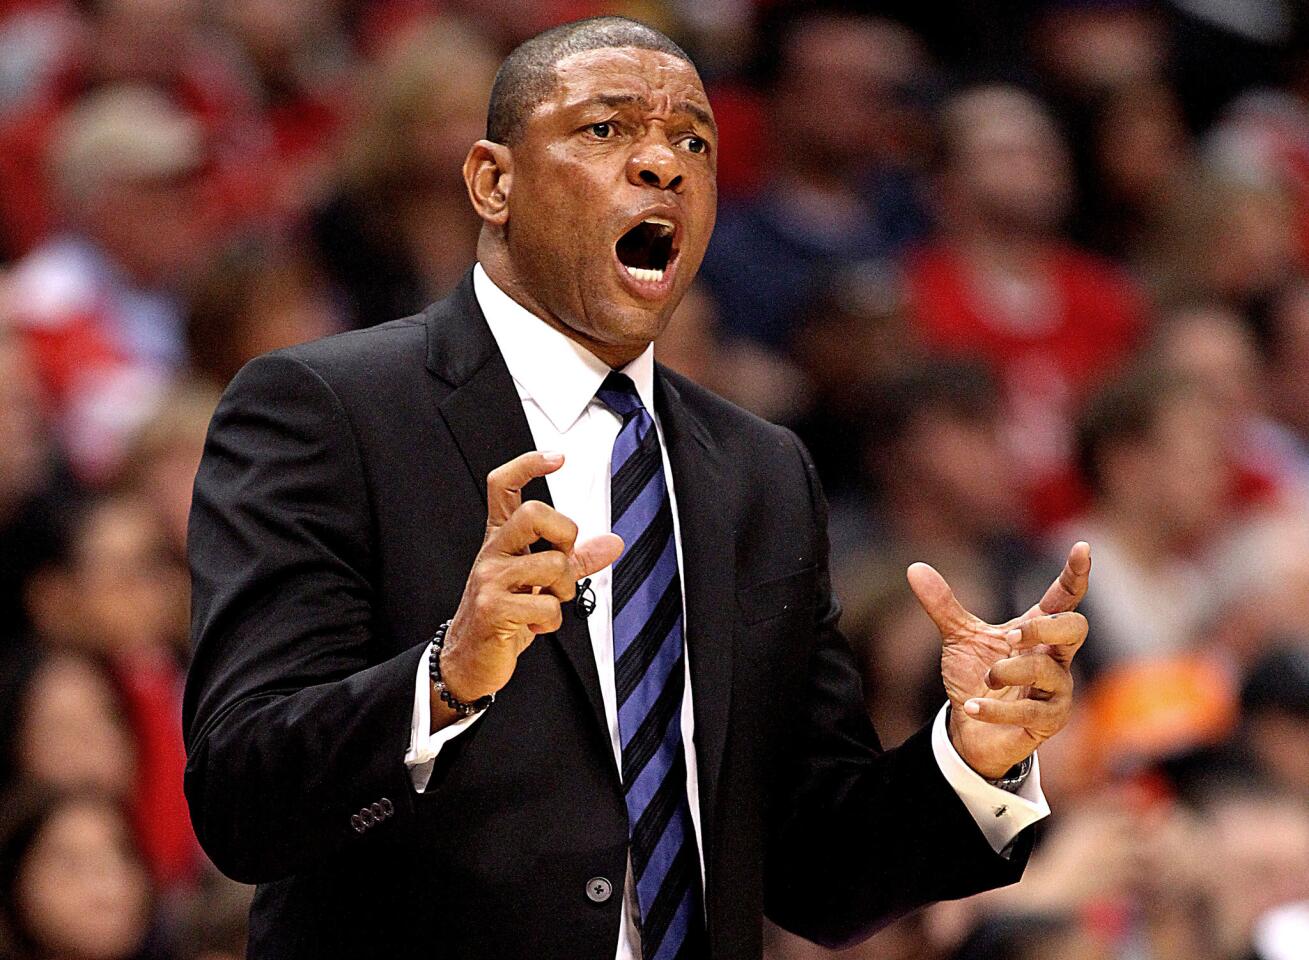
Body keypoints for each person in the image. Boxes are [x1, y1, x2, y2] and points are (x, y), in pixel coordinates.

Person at [184, 17, 1092, 959]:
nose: (662, 162)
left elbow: (814, 876)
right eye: (605, 130)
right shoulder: (328, 408)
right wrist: (444, 679)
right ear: (493, 181)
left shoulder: (759, 471)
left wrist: (971, 756)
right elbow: (241, 801)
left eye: (692, 140)